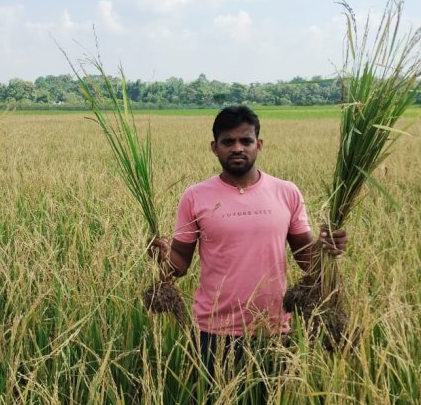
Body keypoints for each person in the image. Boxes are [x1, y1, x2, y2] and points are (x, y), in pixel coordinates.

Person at [149, 105, 347, 395]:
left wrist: (328, 249)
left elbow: (306, 259)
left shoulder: (286, 192)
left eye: (246, 141)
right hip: (213, 330)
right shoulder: (195, 197)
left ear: (259, 145)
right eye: (228, 142)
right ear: (214, 147)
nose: (237, 148)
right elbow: (179, 266)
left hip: (275, 327)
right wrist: (160, 257)